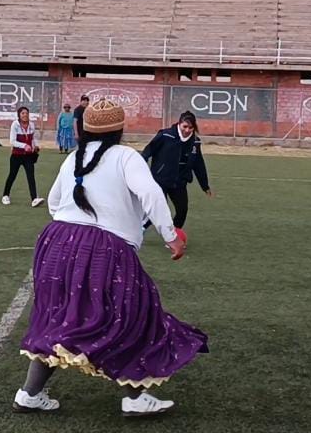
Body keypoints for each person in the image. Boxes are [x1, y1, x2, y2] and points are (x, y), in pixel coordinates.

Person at [14, 98, 208, 416]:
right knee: (135, 314)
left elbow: (54, 201)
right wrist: (171, 236)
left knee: (59, 318)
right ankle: (134, 398)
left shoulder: (75, 158)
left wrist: (72, 227)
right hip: (103, 248)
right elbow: (151, 193)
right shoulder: (125, 157)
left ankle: (29, 393)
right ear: (119, 129)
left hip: (55, 243)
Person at [142, 111, 213, 230]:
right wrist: (140, 165)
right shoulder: (165, 135)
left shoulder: (195, 142)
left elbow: (198, 164)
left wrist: (205, 186)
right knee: (159, 209)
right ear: (179, 124)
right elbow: (148, 150)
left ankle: (175, 234)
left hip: (179, 182)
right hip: (161, 179)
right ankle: (142, 227)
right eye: (185, 126)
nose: (187, 130)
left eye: (190, 127)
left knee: (182, 210)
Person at [1, 106, 44, 207]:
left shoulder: (32, 125)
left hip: (28, 156)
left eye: (26, 113)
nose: (25, 115)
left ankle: (34, 199)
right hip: (16, 155)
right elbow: (12, 141)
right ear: (19, 115)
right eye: (23, 113)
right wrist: (24, 146)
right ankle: (5, 195)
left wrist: (35, 146)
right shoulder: (15, 125)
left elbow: (33, 138)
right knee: (12, 175)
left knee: (31, 176)